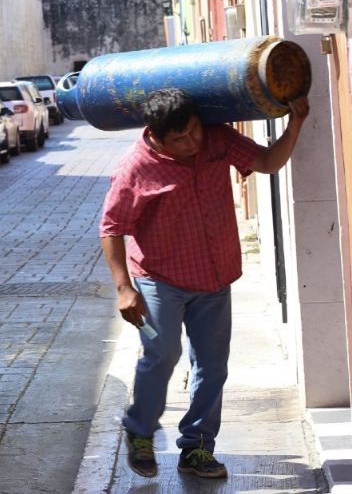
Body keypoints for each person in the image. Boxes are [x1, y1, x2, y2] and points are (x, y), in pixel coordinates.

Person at [98, 88, 310, 479]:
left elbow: (265, 162)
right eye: (178, 138)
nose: (191, 142)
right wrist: (124, 288)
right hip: (159, 279)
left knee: (212, 367)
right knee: (161, 354)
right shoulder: (136, 167)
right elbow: (111, 228)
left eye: (194, 130)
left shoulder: (217, 139)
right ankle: (141, 432)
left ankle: (196, 448)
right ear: (157, 136)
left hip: (214, 276)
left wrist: (294, 126)